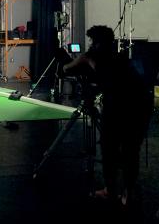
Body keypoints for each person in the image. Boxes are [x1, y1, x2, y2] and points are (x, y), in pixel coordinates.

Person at [59, 25, 153, 205]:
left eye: (93, 41)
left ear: (97, 43)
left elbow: (67, 69)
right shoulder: (119, 58)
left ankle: (111, 191)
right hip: (141, 104)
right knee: (131, 151)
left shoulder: (90, 57)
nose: (91, 45)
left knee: (110, 149)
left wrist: (66, 60)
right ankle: (128, 194)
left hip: (122, 106)